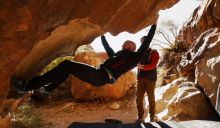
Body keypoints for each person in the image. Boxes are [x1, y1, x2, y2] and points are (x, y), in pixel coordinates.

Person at [10, 24, 157, 99]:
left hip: (102, 76)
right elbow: (108, 48)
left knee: (67, 65)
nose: (124, 45)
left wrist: (154, 25)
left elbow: (147, 41)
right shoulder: (118, 55)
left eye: (127, 44)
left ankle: (28, 86)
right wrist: (103, 35)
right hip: (99, 74)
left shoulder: (134, 58)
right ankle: (47, 89)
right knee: (67, 69)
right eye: (124, 44)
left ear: (133, 47)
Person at [136, 35, 160, 122]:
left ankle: (152, 116)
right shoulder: (139, 53)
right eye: (142, 42)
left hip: (150, 78)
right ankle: (140, 117)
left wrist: (143, 67)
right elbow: (136, 64)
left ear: (148, 42)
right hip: (141, 79)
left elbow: (154, 64)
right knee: (138, 98)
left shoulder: (154, 52)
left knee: (151, 98)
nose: (143, 43)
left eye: (144, 42)